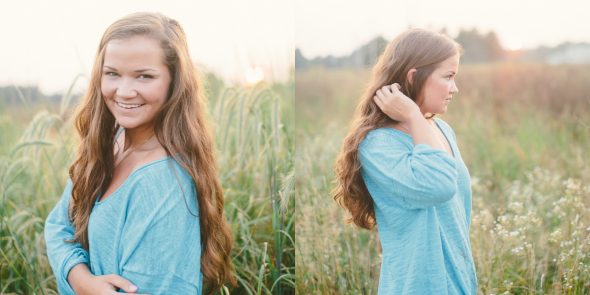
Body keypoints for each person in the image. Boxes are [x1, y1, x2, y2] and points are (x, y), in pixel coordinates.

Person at [44, 12, 235, 295]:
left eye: (144, 76)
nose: (124, 91)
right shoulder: (112, 142)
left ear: (174, 82)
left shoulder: (164, 181)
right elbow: (58, 226)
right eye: (112, 74)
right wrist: (83, 281)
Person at [332, 28, 477, 294]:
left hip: (460, 283)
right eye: (448, 76)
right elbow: (439, 187)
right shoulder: (377, 144)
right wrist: (411, 112)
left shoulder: (442, 130)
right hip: (419, 286)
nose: (454, 88)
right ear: (414, 77)